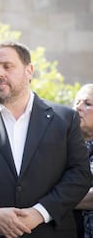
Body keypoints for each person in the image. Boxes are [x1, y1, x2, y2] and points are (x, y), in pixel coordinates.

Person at [0, 40, 91, 238]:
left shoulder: (65, 119)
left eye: (7, 66)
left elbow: (80, 175)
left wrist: (40, 213)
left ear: (29, 70)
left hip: (50, 231)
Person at [74, 84, 93, 238]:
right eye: (77, 102)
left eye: (87, 104)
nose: (78, 107)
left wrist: (57, 201)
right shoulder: (64, 146)